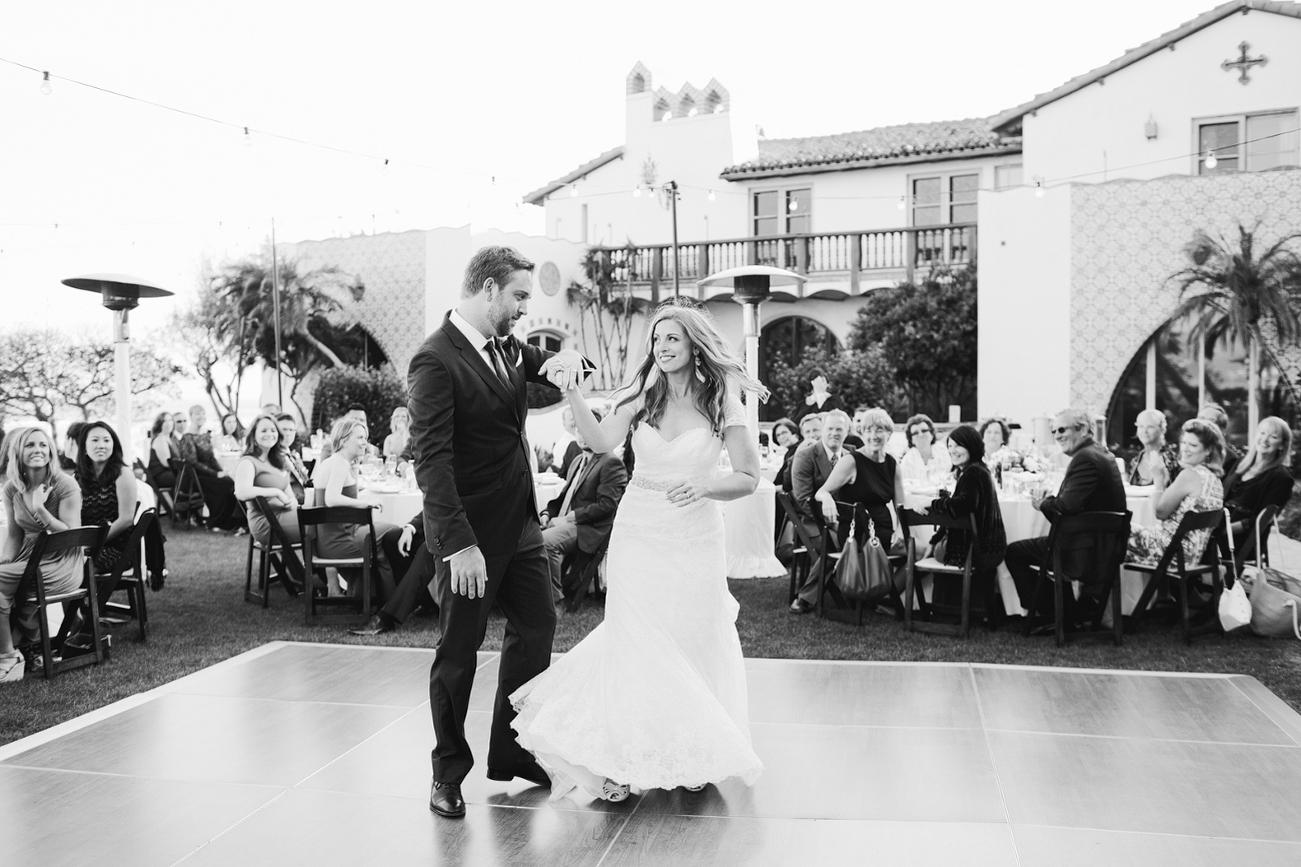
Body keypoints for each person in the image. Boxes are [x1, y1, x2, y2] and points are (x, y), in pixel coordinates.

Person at [510, 298, 765, 804]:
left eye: (672, 338)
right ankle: (617, 758)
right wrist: (574, 396)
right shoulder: (642, 397)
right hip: (639, 532)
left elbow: (749, 477)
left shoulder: (722, 403)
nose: (661, 347)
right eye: (656, 339)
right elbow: (601, 440)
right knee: (633, 643)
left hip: (694, 537)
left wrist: (708, 487)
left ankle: (690, 751)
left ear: (694, 345)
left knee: (689, 640)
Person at [407, 245, 589, 819]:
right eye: (516, 297)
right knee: (458, 653)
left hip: (523, 527)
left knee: (537, 627)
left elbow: (550, 365)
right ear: (488, 290)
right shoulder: (435, 360)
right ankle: (446, 773)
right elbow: (430, 461)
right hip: (471, 538)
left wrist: (568, 364)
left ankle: (513, 751)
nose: (522, 309)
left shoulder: (509, 346)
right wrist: (458, 544)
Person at [1003, 408, 1126, 624]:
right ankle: (1068, 610)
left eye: (1062, 429)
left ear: (1084, 429)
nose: (1057, 435)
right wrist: (1051, 501)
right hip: (1102, 545)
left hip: (1086, 552)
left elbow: (1066, 506)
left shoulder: (1086, 459)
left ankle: (1059, 614)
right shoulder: (1100, 453)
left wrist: (1042, 503)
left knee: (1014, 553)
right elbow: (1072, 504)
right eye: (1054, 431)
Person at [0, 428, 84, 683]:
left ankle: (8, 656)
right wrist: (5, 562)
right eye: (30, 445)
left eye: (43, 445)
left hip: (62, 558)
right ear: (18, 452)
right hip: (29, 557)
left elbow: (73, 535)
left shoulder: (65, 484)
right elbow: (15, 535)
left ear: (50, 451)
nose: (37, 449)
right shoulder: (11, 488)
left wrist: (40, 509)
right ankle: (20, 648)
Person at [539, 405, 628, 609]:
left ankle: (555, 601)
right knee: (527, 536)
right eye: (579, 429)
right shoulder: (578, 460)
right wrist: (546, 514)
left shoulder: (611, 462)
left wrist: (570, 517)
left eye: (588, 429)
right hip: (567, 522)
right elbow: (563, 497)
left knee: (544, 542)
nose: (582, 434)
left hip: (590, 528)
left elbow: (607, 506)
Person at [917, 425, 1007, 624]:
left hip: (971, 551)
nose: (952, 451)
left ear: (972, 445)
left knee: (915, 550)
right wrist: (936, 539)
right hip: (988, 547)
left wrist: (931, 503)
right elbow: (958, 515)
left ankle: (920, 605)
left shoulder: (972, 473)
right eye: (950, 446)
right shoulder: (979, 471)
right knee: (927, 547)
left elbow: (962, 505)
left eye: (958, 445)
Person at [311, 418, 399, 602]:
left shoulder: (336, 462)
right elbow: (332, 499)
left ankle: (369, 596)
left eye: (365, 437)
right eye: (359, 437)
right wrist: (365, 504)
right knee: (394, 534)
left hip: (332, 538)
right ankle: (388, 599)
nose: (364, 442)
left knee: (388, 532)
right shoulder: (340, 463)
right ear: (343, 440)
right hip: (339, 541)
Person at [1127, 419, 1225, 567]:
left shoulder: (1190, 474)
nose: (1185, 449)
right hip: (1192, 555)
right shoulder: (1215, 480)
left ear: (1208, 450)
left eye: (1192, 445)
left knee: (1116, 529)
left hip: (1172, 553)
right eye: (1184, 443)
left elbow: (1160, 513)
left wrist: (1159, 479)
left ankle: (1102, 588)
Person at [814, 406, 907, 558]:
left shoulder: (893, 465)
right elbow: (822, 492)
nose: (873, 436)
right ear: (862, 434)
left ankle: (888, 582)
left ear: (889, 434)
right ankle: (883, 581)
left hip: (884, 531)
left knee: (918, 551)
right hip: (857, 533)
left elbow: (901, 506)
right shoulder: (851, 461)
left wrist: (901, 531)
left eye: (879, 430)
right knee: (918, 552)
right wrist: (827, 498)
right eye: (868, 431)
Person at [788, 409, 852, 614]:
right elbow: (802, 499)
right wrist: (830, 519)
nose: (834, 433)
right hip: (811, 520)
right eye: (830, 428)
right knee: (835, 543)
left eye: (839, 429)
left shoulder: (851, 456)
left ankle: (860, 589)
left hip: (844, 520)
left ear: (847, 431)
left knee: (852, 539)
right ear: (823, 430)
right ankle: (806, 597)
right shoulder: (806, 455)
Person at [75, 422, 138, 574]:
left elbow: (126, 519)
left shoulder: (123, 474)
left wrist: (91, 543)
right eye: (95, 440)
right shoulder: (77, 478)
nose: (101, 445)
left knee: (78, 571)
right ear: (84, 446)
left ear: (113, 445)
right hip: (83, 545)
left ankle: (86, 598)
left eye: (106, 440)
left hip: (117, 547)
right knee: (55, 565)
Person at [1223, 416, 1294, 552]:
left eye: (1273, 436)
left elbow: (1257, 522)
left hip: (1240, 540)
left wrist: (1222, 531)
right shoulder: (1238, 464)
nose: (1265, 439)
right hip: (1218, 527)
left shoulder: (1281, 478)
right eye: (1262, 433)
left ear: (1282, 445)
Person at [234, 413, 302, 551]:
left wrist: (293, 502)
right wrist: (275, 492)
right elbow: (241, 492)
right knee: (320, 525)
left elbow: (290, 495)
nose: (269, 434)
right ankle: (311, 570)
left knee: (323, 521)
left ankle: (309, 570)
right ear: (254, 435)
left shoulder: (277, 461)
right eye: (263, 431)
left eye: (273, 430)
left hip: (286, 515)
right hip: (267, 523)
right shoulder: (248, 461)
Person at [179, 404, 246, 532]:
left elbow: (211, 458)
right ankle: (217, 522)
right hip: (196, 476)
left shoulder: (205, 435)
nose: (201, 416)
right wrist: (215, 475)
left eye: (203, 413)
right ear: (191, 416)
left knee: (230, 482)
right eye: (197, 414)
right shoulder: (187, 437)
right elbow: (193, 463)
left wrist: (220, 471)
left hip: (207, 473)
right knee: (225, 485)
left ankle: (232, 521)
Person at [1127, 409, 1180, 486]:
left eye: (1150, 427)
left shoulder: (1172, 461)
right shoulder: (1134, 461)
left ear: (1162, 429)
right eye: (1141, 426)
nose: (1145, 431)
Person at [899, 413, 952, 484]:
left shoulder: (943, 451)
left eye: (924, 431)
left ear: (932, 434)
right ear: (911, 440)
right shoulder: (907, 461)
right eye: (915, 433)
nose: (920, 435)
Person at [275, 413, 311, 504]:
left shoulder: (292, 455)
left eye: (291, 430)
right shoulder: (274, 458)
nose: (287, 434)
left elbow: (305, 481)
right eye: (284, 429)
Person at [1198, 403, 1242, 476]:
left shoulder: (1231, 460)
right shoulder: (1188, 450)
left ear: (1222, 429)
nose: (1204, 424)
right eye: (1201, 419)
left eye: (1211, 421)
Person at [770, 417, 801, 494]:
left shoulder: (798, 450)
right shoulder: (790, 452)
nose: (781, 437)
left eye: (784, 433)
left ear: (794, 433)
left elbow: (788, 485)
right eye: (778, 435)